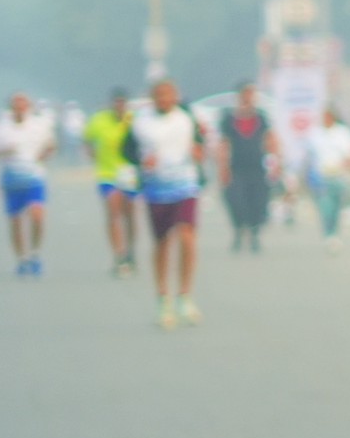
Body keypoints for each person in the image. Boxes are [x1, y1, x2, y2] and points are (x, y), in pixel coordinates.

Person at [127, 78, 210, 329]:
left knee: (187, 234)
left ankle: (185, 295)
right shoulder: (141, 122)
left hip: (185, 183)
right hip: (157, 188)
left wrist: (198, 152)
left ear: (175, 96)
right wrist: (142, 162)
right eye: (159, 95)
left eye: (168, 94)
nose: (164, 99)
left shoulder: (186, 118)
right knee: (163, 242)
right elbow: (127, 151)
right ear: (152, 98)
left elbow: (199, 144)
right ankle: (163, 298)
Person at [0, 91, 56, 276]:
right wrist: (2, 152)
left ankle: (35, 253)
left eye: (23, 104)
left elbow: (51, 144)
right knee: (15, 221)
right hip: (12, 180)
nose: (20, 108)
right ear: (11, 108)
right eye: (16, 105)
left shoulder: (38, 125)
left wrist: (45, 154)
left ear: (28, 107)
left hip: (35, 178)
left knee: (37, 215)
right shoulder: (1, 128)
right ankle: (21, 259)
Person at [87, 87, 142, 275]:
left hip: (129, 172)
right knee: (113, 210)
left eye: (122, 103)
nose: (119, 106)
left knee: (130, 213)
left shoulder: (134, 120)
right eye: (116, 103)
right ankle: (119, 254)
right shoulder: (99, 120)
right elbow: (87, 139)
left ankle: (131, 250)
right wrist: (92, 154)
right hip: (107, 173)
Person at [220, 80, 279, 252]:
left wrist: (276, 162)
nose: (249, 97)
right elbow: (224, 144)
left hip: (257, 168)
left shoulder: (261, 118)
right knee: (237, 201)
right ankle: (239, 229)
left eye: (251, 94)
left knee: (258, 202)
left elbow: (270, 139)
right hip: (236, 168)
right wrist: (223, 168)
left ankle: (254, 234)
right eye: (246, 94)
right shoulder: (229, 119)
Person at [307, 103, 350, 246]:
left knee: (336, 206)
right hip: (321, 177)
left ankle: (334, 233)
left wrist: (346, 166)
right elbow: (310, 155)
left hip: (338, 176)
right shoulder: (316, 134)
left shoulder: (342, 133)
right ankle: (328, 233)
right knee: (326, 207)